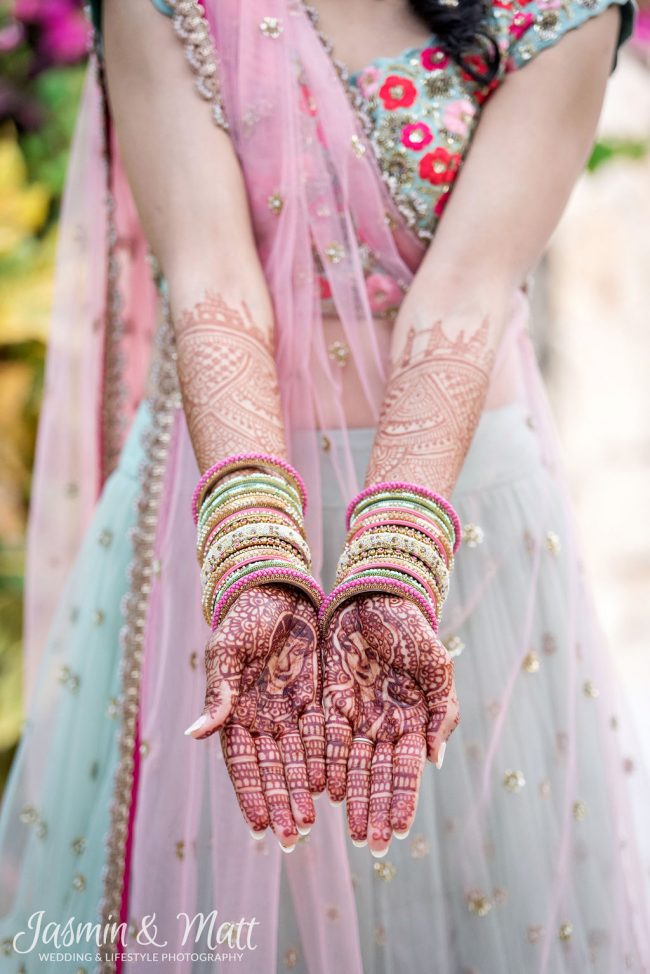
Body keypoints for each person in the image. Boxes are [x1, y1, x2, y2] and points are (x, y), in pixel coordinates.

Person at [0, 0, 648, 971]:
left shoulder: (555, 8)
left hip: (462, 527)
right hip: (220, 506)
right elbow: (210, 275)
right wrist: (258, 562)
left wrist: (391, 567)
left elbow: (467, 287)